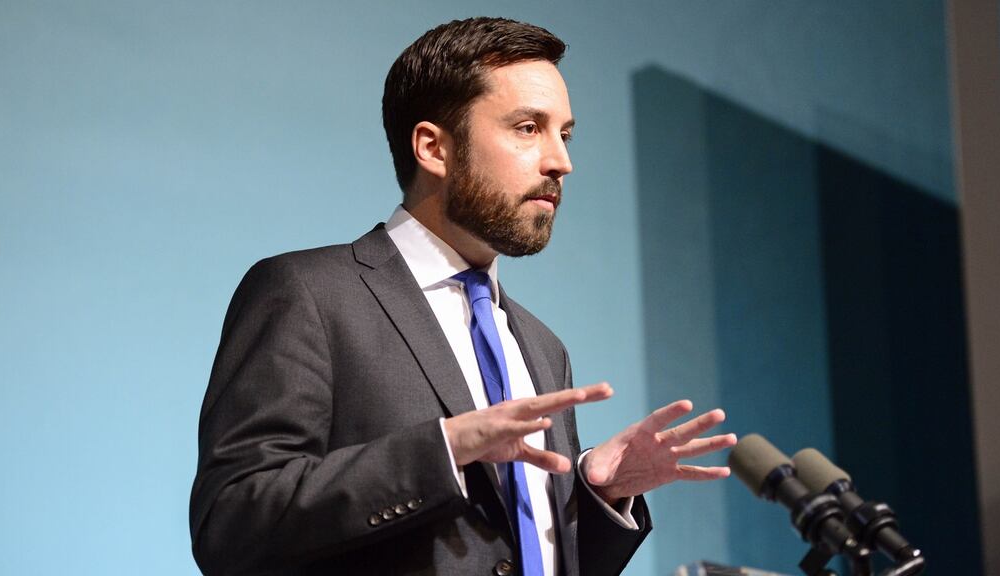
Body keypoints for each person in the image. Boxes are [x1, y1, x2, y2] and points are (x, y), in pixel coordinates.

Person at [190, 17, 737, 576]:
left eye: (565, 134)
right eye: (528, 128)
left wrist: (598, 494)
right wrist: (445, 450)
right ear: (433, 148)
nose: (561, 162)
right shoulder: (309, 294)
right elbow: (231, 522)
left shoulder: (545, 348)